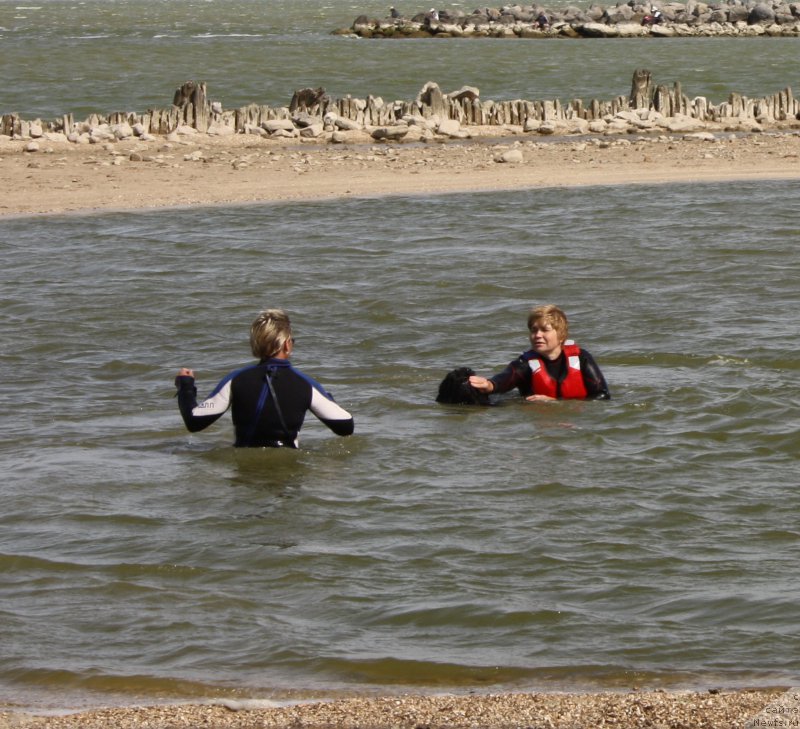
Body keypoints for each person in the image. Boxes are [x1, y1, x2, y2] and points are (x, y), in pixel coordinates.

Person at [174, 309, 354, 447]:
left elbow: (194, 421)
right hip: (288, 477)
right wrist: (327, 397)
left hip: (245, 475)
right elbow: (346, 426)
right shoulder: (306, 384)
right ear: (286, 344)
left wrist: (186, 387)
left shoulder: (235, 380)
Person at [468, 304, 610, 401]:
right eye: (533, 330)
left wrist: (555, 403)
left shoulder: (581, 358)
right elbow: (504, 380)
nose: (537, 335)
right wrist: (488, 385)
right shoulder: (525, 364)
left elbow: (603, 396)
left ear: (561, 335)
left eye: (544, 330)